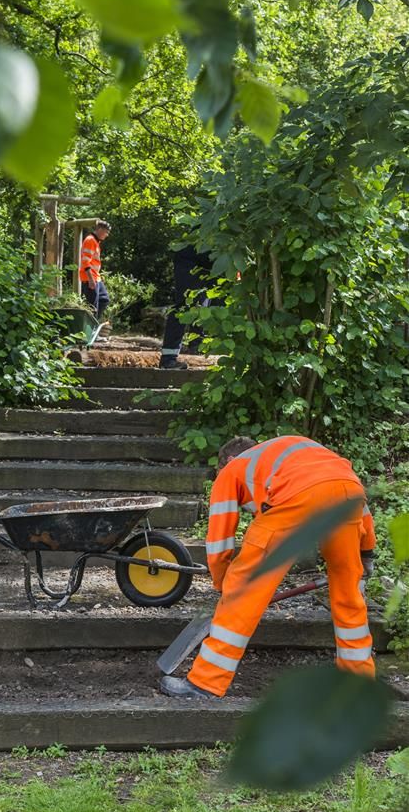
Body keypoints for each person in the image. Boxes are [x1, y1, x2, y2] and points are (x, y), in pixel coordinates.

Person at [160, 434, 377, 700]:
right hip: (349, 493)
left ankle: (205, 683)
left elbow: (218, 541)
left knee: (244, 588)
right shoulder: (293, 453)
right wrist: (367, 554)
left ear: (228, 460)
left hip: (296, 497)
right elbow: (361, 509)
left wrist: (225, 586)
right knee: (349, 594)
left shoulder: (233, 470)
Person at [159, 244, 212, 369]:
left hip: (206, 263)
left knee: (203, 306)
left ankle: (197, 346)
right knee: (183, 307)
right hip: (190, 259)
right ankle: (168, 358)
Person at [79, 219, 111, 321]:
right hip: (90, 278)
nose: (107, 235)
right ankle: (90, 333)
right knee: (93, 307)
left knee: (104, 299)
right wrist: (91, 279)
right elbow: (85, 261)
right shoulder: (90, 240)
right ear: (99, 229)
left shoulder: (96, 242)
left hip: (96, 277)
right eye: (106, 232)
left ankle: (94, 326)